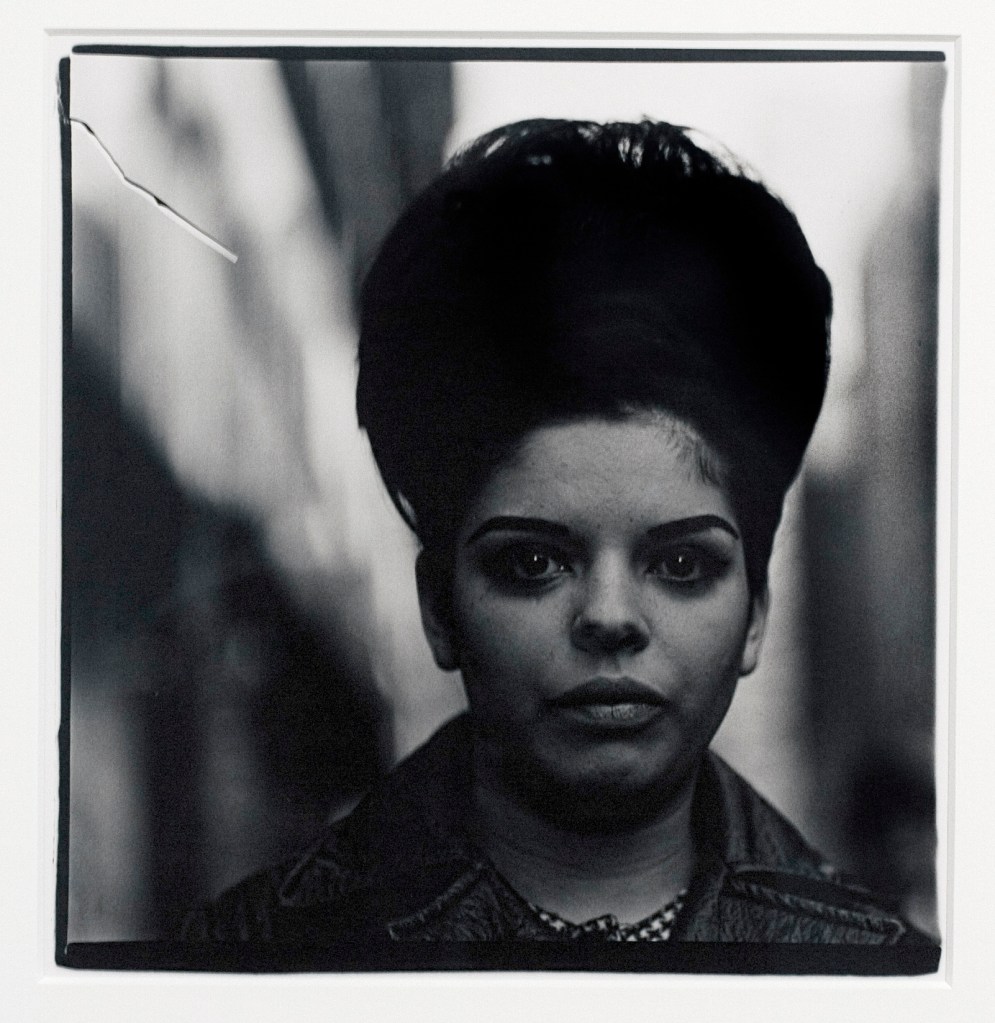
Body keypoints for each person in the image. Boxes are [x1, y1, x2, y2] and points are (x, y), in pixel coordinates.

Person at [183, 118, 933, 951]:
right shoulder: (252, 961)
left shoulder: (877, 975)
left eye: (682, 563)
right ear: (439, 606)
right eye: (532, 562)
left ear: (755, 608)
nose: (609, 616)